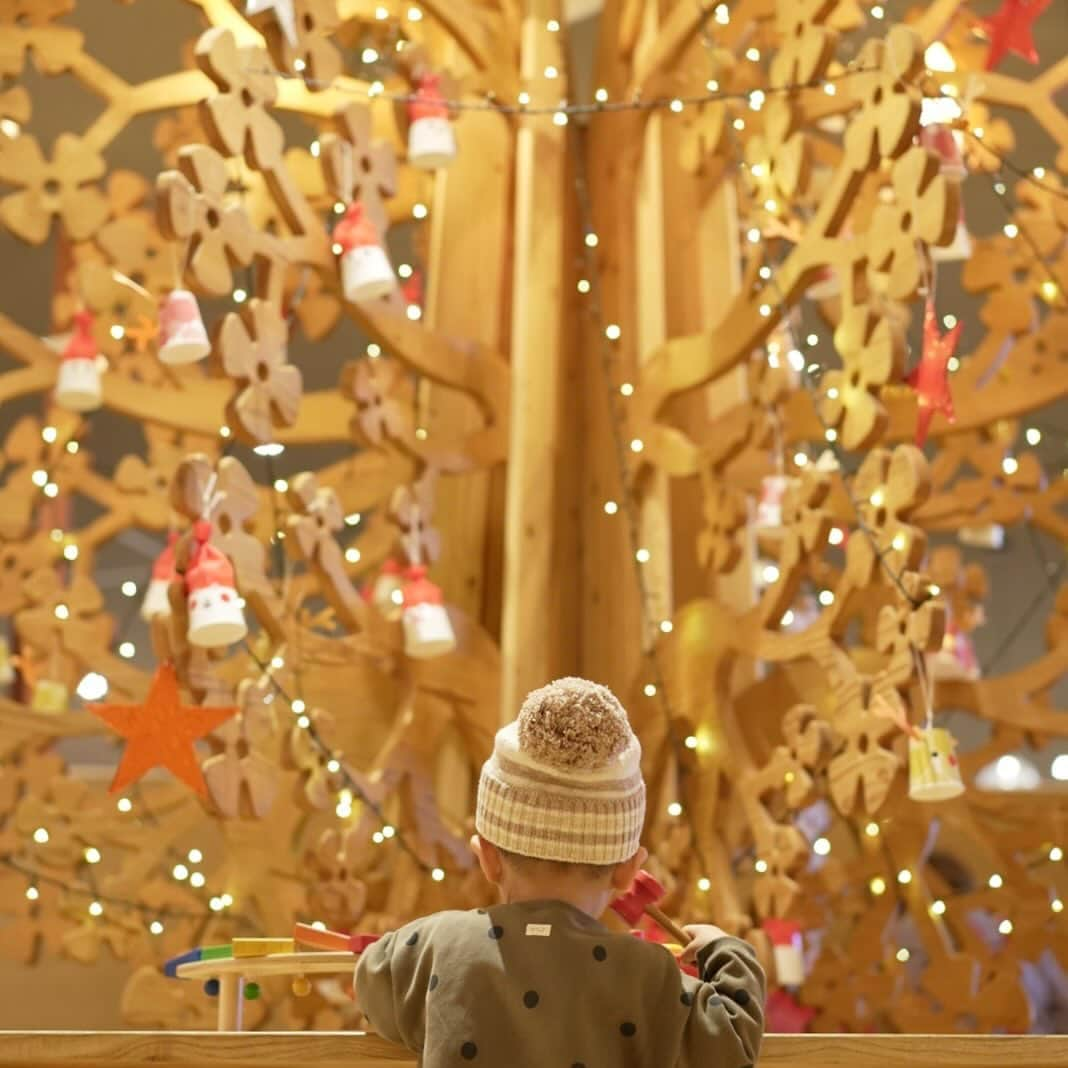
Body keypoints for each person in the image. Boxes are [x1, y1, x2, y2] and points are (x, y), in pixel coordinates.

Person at [356, 677, 766, 1066]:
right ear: (627, 873)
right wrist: (725, 949)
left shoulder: (435, 946)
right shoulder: (647, 975)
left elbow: (372, 979)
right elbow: (731, 1039)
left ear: (487, 858)